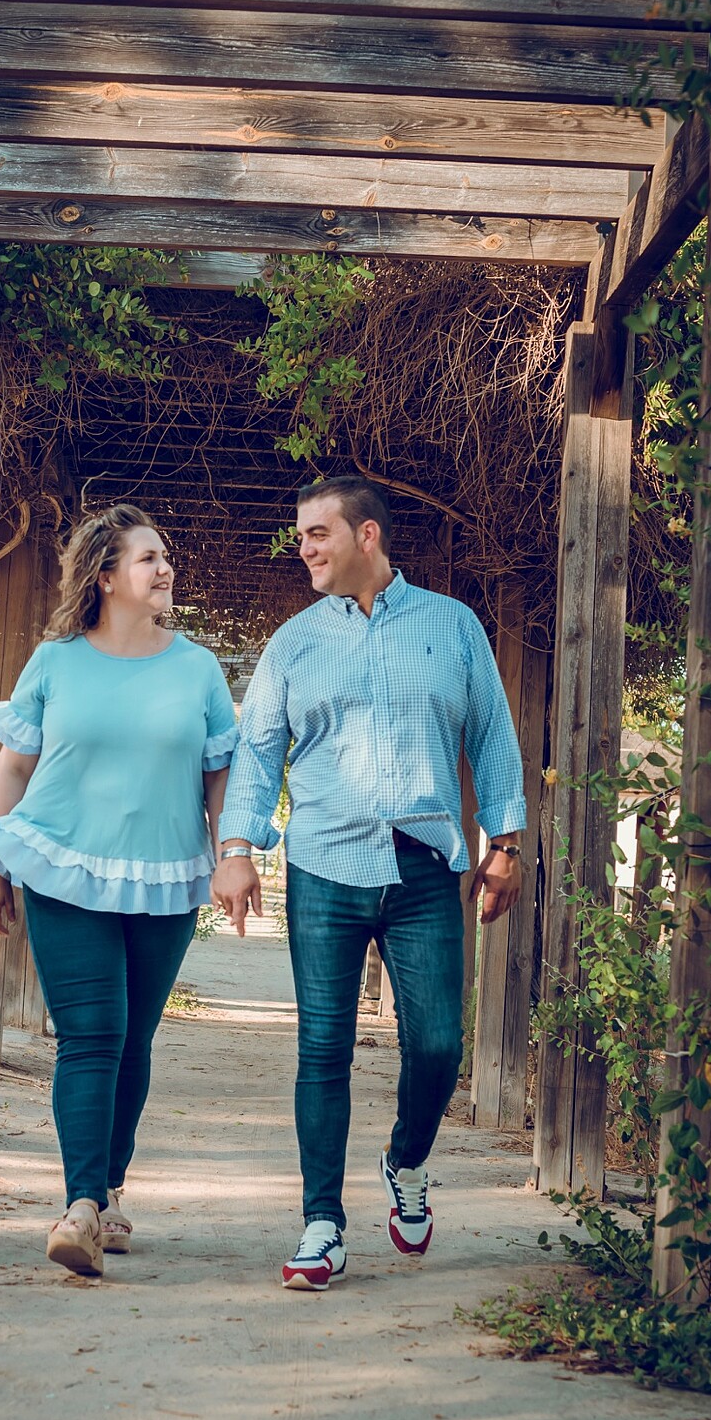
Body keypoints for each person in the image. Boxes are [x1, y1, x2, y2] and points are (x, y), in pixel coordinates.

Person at [212, 474, 525, 1292]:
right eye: (301, 535)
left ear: (367, 536)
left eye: (317, 532)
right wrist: (237, 845)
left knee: (436, 1044)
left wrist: (508, 842)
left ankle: (406, 1160)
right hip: (323, 865)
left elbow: (491, 732)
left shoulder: (452, 627)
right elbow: (256, 752)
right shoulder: (292, 643)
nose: (304, 548)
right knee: (323, 1047)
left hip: (424, 865)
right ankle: (322, 1223)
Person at [0, 504, 237, 1279]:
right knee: (90, 1036)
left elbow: (219, 777)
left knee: (133, 1040)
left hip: (164, 875)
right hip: (63, 869)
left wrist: (230, 857)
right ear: (104, 575)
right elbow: (13, 770)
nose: (165, 569)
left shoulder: (198, 668)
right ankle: (81, 1206)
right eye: (148, 558)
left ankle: (111, 1188)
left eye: (165, 556)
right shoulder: (55, 663)